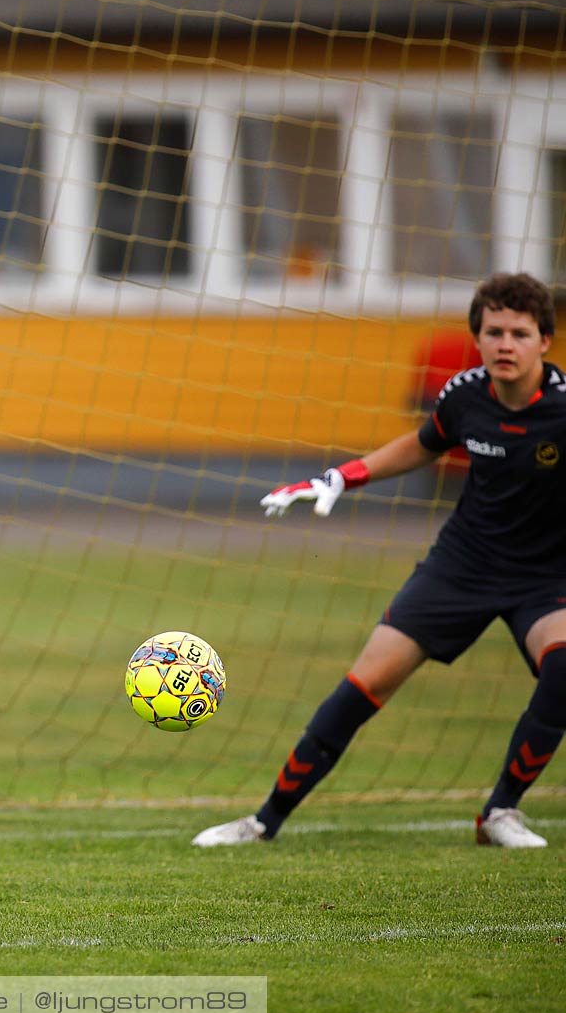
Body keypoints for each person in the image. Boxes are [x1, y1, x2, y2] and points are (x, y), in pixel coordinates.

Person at [195, 272, 565, 850]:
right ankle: (264, 821)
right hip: (462, 565)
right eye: (493, 331)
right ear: (478, 337)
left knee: (564, 668)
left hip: (545, 578)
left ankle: (500, 813)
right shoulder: (465, 394)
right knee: (367, 682)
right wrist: (341, 476)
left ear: (545, 341)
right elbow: (422, 445)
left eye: (519, 333)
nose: (504, 344)